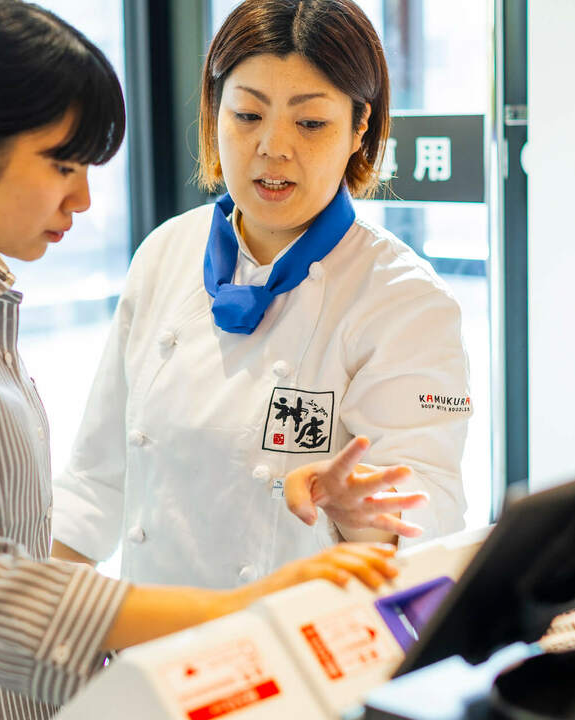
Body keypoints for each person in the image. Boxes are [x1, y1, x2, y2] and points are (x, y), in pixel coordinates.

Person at [0, 3, 398, 719]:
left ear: (359, 126)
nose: (83, 198)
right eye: (63, 165)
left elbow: (416, 508)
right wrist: (235, 609)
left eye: (309, 122)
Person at [52, 0, 472, 589]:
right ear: (214, 113)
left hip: (298, 652)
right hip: (154, 644)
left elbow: (430, 509)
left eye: (310, 123)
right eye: (248, 115)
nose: (273, 147)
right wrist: (29, 630)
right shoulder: (165, 254)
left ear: (360, 130)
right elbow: (97, 480)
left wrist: (360, 517)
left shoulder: (402, 301)